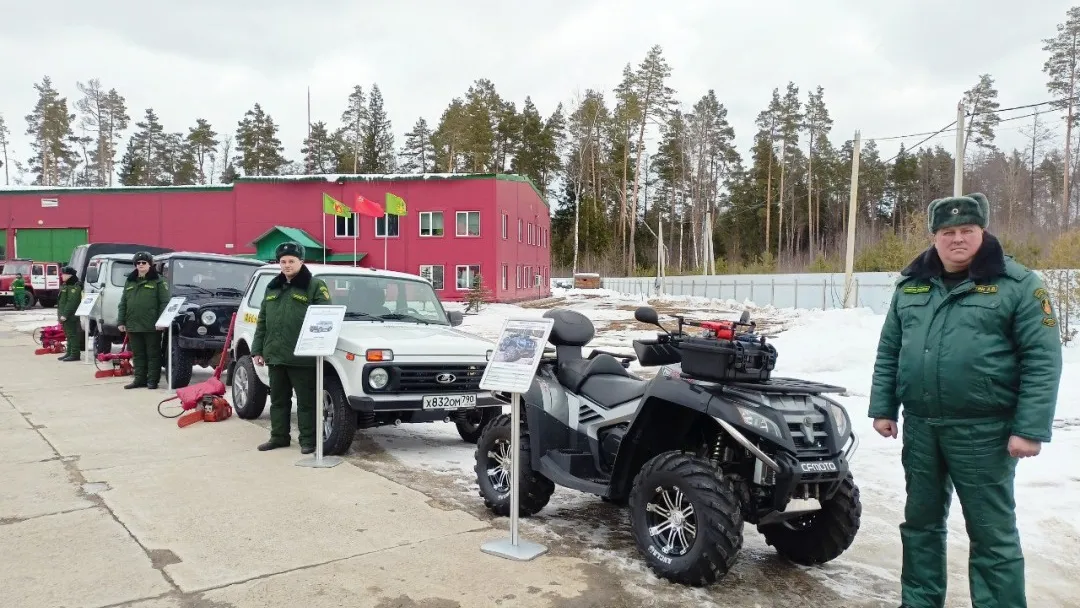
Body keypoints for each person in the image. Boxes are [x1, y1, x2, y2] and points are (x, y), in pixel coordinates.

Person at [869, 193, 1062, 608]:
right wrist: (884, 407)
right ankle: (919, 602)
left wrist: (1029, 430)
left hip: (985, 431)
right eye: (947, 232)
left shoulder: (1019, 284)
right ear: (935, 237)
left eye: (966, 231)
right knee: (919, 525)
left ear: (983, 232)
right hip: (922, 428)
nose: (957, 239)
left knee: (992, 534)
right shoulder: (911, 284)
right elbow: (890, 350)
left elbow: (1042, 360)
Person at [250, 241, 331, 454]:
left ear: (301, 262)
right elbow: (262, 320)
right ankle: (278, 437)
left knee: (306, 402)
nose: (286, 265)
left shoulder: (314, 285)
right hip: (275, 355)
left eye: (291, 261)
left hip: (301, 356)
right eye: (283, 261)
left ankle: (308, 441)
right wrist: (257, 349)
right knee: (278, 400)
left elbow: (324, 319)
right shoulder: (273, 286)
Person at [117, 251, 170, 389]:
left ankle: (152, 380)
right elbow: (123, 302)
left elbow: (164, 303)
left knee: (153, 354)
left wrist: (161, 322)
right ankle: (139, 379)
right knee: (138, 354)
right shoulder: (130, 281)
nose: (141, 265)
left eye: (144, 263)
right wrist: (121, 321)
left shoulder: (158, 281)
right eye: (138, 263)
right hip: (133, 324)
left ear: (150, 265)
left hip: (151, 326)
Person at [56, 267, 83, 362]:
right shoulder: (66, 285)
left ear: (69, 275)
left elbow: (72, 302)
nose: (62, 276)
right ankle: (69, 352)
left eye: (64, 274)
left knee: (73, 335)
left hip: (70, 316)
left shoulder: (74, 286)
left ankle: (75, 354)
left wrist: (65, 314)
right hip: (65, 315)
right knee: (68, 334)